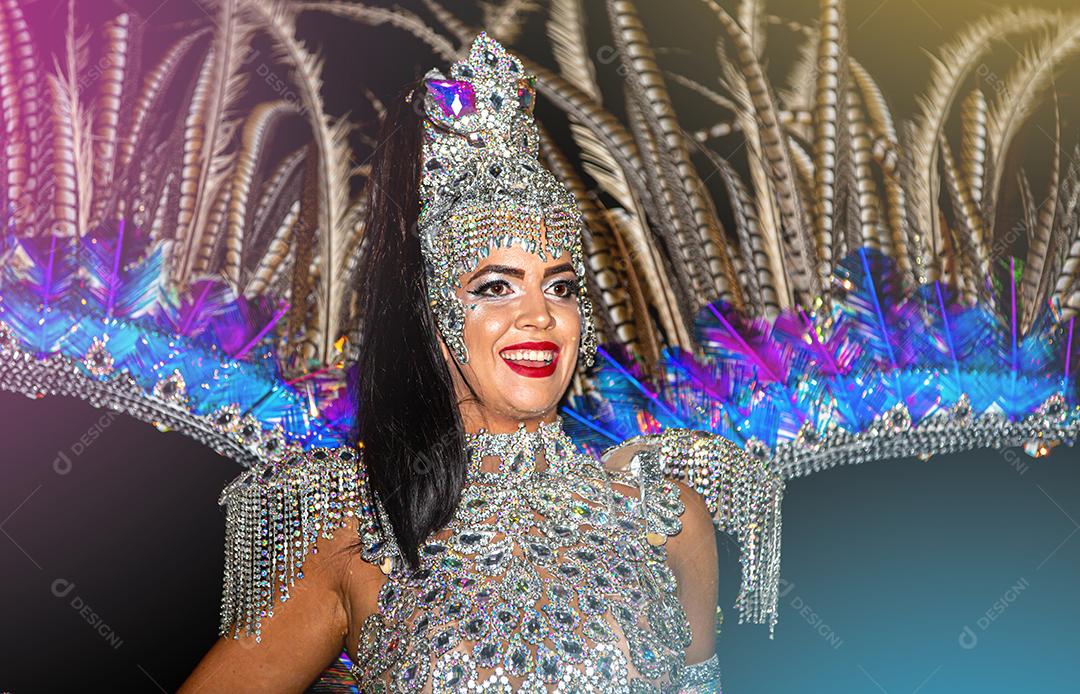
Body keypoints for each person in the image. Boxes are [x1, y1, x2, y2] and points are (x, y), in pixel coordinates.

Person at [180, 33, 782, 693]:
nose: (540, 315)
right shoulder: (360, 535)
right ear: (435, 316)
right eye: (496, 287)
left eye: (561, 286)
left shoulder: (666, 517)